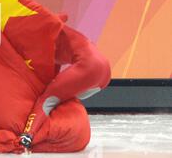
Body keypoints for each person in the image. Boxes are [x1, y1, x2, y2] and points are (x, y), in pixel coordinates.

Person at [19, 22, 111, 150]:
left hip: (90, 68)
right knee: (61, 98)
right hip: (105, 76)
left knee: (46, 99)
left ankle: (27, 135)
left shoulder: (45, 35)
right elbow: (54, 73)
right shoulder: (53, 35)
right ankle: (66, 127)